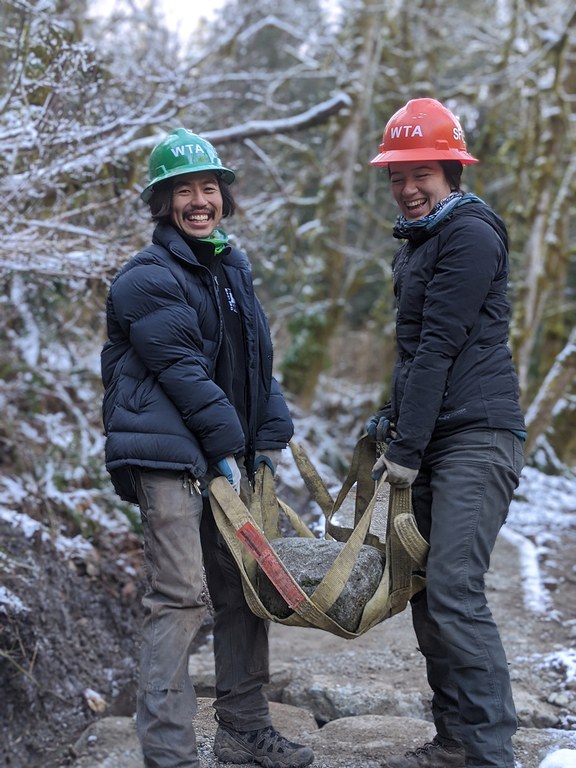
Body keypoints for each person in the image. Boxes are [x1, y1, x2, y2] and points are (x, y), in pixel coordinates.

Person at [101, 128, 315, 768]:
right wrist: (228, 444)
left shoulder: (230, 267)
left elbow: (254, 363)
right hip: (167, 453)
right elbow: (184, 370)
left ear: (223, 195)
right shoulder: (145, 276)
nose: (199, 201)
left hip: (222, 449)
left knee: (245, 585)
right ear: (163, 203)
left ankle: (244, 729)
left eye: (209, 188)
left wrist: (268, 437)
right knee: (182, 594)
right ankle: (168, 752)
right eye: (183, 191)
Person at [366, 98, 526, 768]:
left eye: (421, 173)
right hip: (435, 434)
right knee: (430, 594)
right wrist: (391, 420)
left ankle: (492, 752)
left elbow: (439, 347)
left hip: (477, 436)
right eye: (397, 175)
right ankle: (456, 740)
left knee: (456, 587)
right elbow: (413, 359)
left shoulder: (470, 234)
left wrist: (405, 451)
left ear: (452, 172)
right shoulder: (423, 242)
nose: (407, 188)